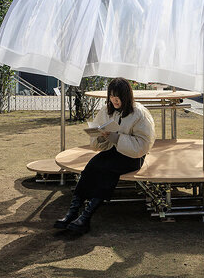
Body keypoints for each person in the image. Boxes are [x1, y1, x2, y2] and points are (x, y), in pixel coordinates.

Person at [54, 77, 156, 233]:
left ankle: (86, 216)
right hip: (114, 152)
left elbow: (143, 145)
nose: (114, 100)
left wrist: (117, 138)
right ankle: (73, 212)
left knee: (107, 172)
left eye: (118, 97)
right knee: (91, 167)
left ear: (126, 96)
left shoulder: (139, 113)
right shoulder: (106, 110)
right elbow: (96, 140)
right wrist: (101, 136)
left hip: (133, 157)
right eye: (112, 97)